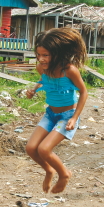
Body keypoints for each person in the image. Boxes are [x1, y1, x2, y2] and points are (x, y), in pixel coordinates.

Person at [25, 28, 88, 194]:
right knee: (31, 148)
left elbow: (83, 92)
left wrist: (74, 118)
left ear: (57, 54)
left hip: (67, 116)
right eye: (38, 55)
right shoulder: (42, 68)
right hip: (50, 114)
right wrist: (34, 89)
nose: (41, 59)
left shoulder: (70, 70)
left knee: (44, 149)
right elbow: (43, 80)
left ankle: (64, 174)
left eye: (45, 55)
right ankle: (49, 170)